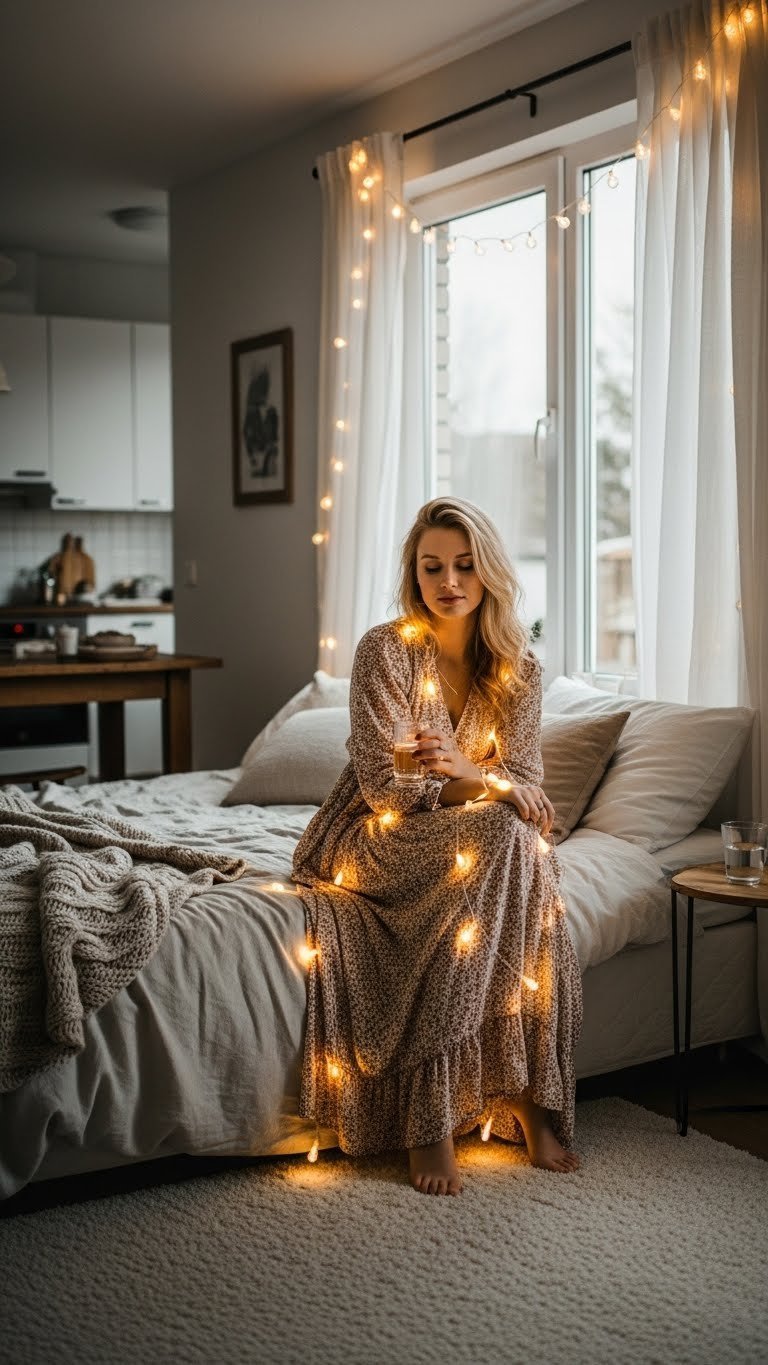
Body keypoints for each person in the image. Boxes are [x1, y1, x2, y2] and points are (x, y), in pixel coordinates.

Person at [292, 497, 582, 1195]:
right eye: (431, 567)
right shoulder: (383, 651)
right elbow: (388, 788)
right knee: (508, 835)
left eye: (463, 565)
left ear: (488, 573)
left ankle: (510, 1095)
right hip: (366, 838)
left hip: (479, 839)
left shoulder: (520, 671)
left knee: (515, 843)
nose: (448, 580)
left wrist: (473, 776)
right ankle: (444, 1115)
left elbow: (524, 784)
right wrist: (491, 785)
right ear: (413, 574)